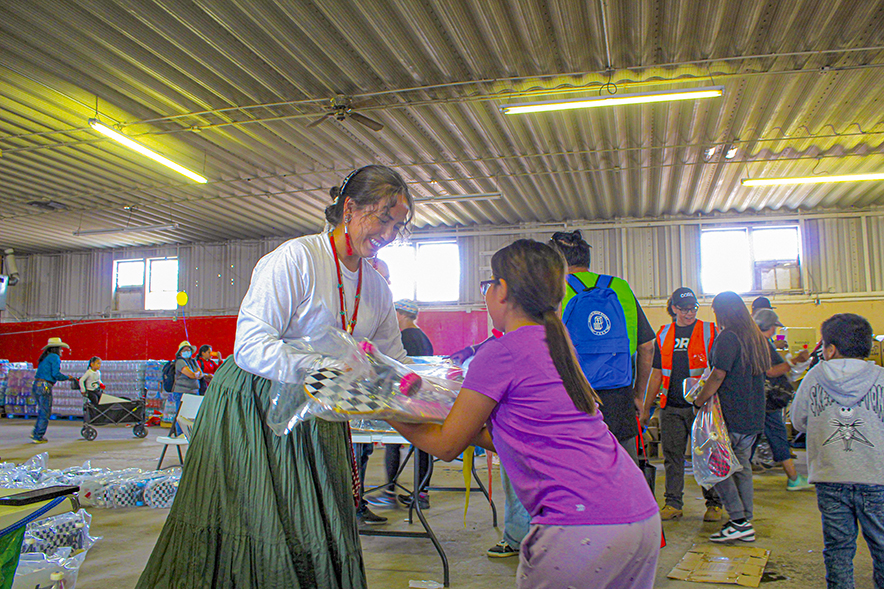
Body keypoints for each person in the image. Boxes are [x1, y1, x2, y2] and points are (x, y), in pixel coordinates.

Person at [135, 164, 412, 589]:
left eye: (399, 225)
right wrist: (322, 368)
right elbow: (250, 346)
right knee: (258, 521)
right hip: (256, 406)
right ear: (350, 208)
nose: (389, 234)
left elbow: (393, 359)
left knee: (316, 522)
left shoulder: (376, 287)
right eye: (384, 219)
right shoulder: (296, 258)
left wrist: (423, 392)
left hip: (317, 411)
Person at [389, 239, 660, 589]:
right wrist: (439, 409)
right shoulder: (559, 345)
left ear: (502, 291)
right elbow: (517, 440)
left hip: (579, 526)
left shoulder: (499, 352)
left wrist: (384, 409)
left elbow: (445, 446)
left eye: (488, 284)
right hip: (637, 514)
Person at [792, 313, 884, 589]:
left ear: (830, 348)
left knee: (838, 549)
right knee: (881, 546)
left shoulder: (814, 377)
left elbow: (798, 421)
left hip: (830, 476)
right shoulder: (881, 378)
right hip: (876, 477)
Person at [550, 230, 656, 461]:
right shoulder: (620, 287)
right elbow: (647, 346)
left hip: (574, 400)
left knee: (580, 473)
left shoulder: (555, 289)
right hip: (620, 399)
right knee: (625, 472)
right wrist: (638, 396)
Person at [691, 291, 770, 543]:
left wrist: (699, 399)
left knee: (719, 466)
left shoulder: (728, 337)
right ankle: (745, 519)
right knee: (742, 467)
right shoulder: (755, 337)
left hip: (730, 415)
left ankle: (737, 519)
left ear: (722, 312)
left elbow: (717, 375)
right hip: (753, 415)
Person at [641, 287, 723, 522]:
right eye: (685, 309)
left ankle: (714, 503)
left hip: (701, 407)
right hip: (671, 407)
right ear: (674, 308)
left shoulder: (709, 331)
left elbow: (718, 370)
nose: (690, 313)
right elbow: (657, 373)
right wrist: (647, 408)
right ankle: (673, 503)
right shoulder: (664, 334)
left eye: (693, 308)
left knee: (706, 455)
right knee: (672, 457)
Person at [374, 299, 435, 509]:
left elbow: (396, 369)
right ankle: (422, 492)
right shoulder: (422, 337)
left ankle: (389, 490)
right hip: (422, 399)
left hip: (404, 399)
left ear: (400, 315)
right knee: (423, 445)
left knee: (392, 443)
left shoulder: (403, 338)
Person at [752, 309, 813, 491]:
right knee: (777, 436)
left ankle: (738, 478)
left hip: (759, 399)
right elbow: (770, 371)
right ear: (770, 327)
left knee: (755, 439)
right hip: (768, 401)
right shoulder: (762, 344)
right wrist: (794, 362)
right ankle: (793, 478)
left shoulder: (753, 342)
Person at [31, 337, 78, 443]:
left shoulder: (45, 357)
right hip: (45, 386)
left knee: (42, 410)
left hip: (37, 385)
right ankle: (38, 436)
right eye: (61, 349)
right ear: (56, 349)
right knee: (45, 411)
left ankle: (36, 431)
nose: (61, 351)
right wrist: (68, 377)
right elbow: (55, 374)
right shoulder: (54, 357)